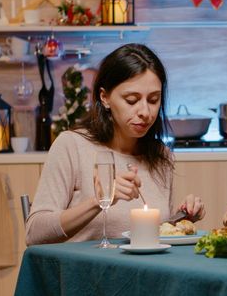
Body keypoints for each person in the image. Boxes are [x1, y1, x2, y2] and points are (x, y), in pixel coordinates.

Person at [26, 43, 205, 245]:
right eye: (131, 100)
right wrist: (100, 201)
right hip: (85, 273)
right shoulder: (72, 146)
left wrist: (182, 219)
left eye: (154, 100)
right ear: (105, 98)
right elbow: (34, 233)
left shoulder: (160, 154)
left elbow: (154, 234)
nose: (145, 112)